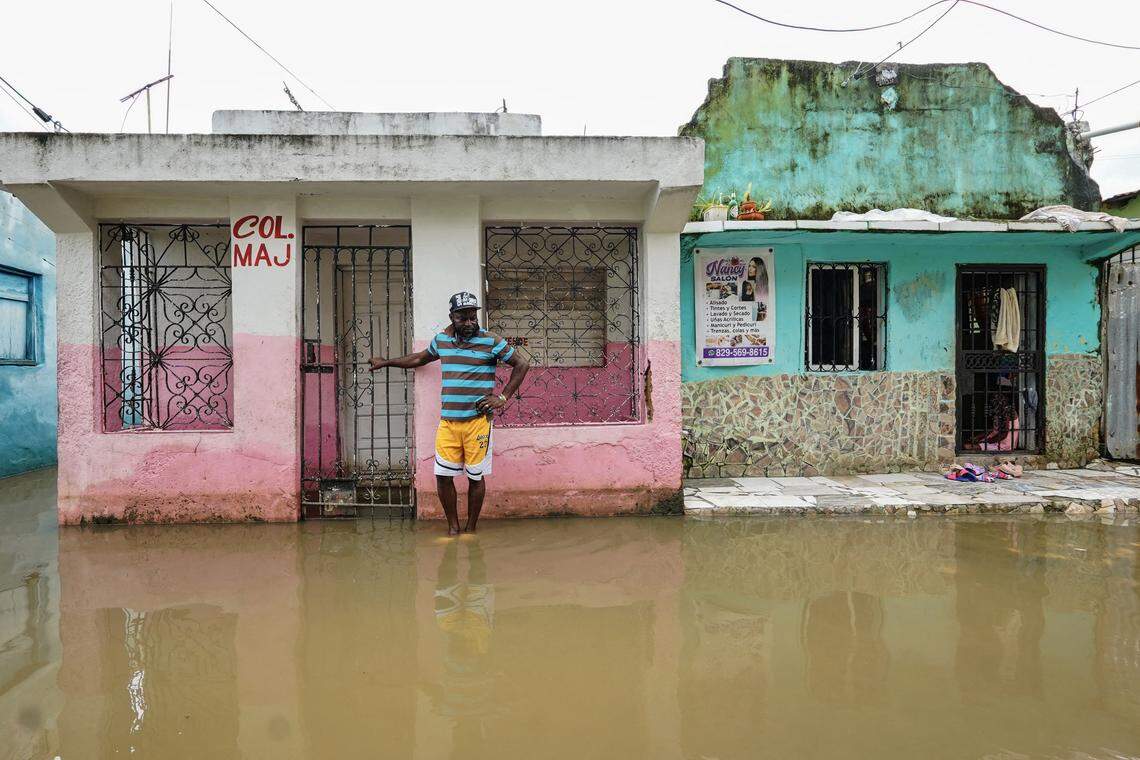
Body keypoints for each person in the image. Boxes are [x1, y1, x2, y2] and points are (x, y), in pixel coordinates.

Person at [368, 292, 530, 534]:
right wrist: (386, 362)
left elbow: (522, 363)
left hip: (478, 424)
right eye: (462, 317)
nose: (469, 323)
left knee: (475, 477)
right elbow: (420, 358)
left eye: (472, 317)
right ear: (452, 317)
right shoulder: (442, 341)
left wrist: (502, 398)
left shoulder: (491, 340)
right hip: (449, 423)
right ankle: (453, 529)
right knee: (443, 477)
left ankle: (471, 529)